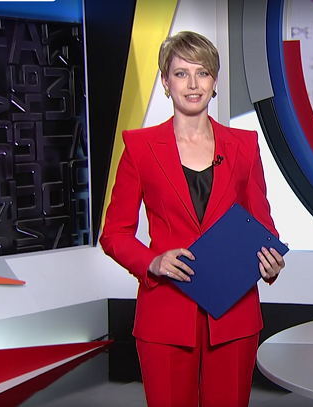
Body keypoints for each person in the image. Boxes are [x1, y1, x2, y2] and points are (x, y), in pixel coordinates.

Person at [99, 31, 286, 407]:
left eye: (202, 72)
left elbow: (262, 227)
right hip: (166, 313)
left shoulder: (244, 146)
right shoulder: (139, 147)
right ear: (165, 82)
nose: (193, 83)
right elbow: (114, 233)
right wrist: (152, 261)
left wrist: (270, 263)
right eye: (181, 73)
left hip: (234, 315)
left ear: (214, 82)